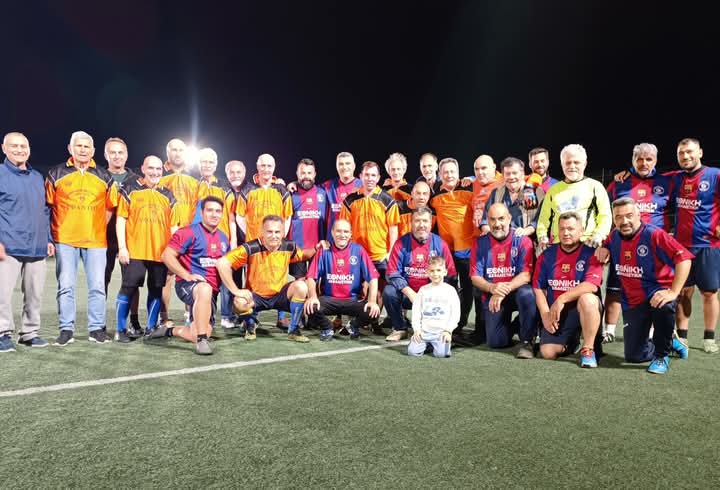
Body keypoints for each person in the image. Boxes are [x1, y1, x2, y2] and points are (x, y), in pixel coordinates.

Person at [597, 197, 692, 373]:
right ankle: (670, 341)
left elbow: (684, 259)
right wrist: (604, 248)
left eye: (629, 215)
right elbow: (607, 245)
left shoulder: (654, 234)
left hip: (657, 292)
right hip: (632, 300)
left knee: (664, 305)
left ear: (639, 215)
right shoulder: (614, 236)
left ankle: (661, 356)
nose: (624, 221)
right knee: (634, 356)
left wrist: (673, 292)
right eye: (618, 217)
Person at [46, 131, 115, 345]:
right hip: (65, 239)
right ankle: (66, 329)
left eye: (87, 147)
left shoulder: (104, 176)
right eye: (79, 146)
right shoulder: (56, 173)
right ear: (70, 148)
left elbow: (110, 207)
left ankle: (96, 329)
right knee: (66, 285)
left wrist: (97, 226)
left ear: (93, 151)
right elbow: (48, 206)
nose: (83, 150)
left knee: (97, 286)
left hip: (96, 240)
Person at [602, 143, 673, 343]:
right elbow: (606, 214)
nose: (644, 163)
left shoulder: (667, 182)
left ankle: (651, 331)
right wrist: (606, 244)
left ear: (655, 161)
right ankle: (609, 330)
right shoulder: (619, 183)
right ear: (633, 160)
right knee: (615, 288)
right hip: (622, 244)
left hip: (654, 248)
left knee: (651, 289)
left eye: (649, 159)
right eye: (639, 159)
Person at [216, 215, 317, 343]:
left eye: (277, 232)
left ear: (283, 233)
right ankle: (251, 323)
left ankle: (294, 330)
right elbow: (222, 263)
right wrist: (236, 291)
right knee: (239, 302)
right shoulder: (250, 248)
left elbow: (303, 255)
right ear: (262, 232)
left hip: (279, 296)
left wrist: (316, 248)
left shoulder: (289, 246)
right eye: (269, 232)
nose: (274, 236)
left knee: (301, 286)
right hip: (256, 296)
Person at [115, 155, 182, 343]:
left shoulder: (168, 195)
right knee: (128, 288)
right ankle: (120, 330)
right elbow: (121, 219)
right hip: (135, 251)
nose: (155, 172)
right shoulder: (130, 189)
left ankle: (151, 329)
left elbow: (174, 228)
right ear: (143, 169)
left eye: (158, 169)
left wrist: (173, 255)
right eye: (151, 168)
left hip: (159, 253)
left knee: (156, 289)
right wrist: (122, 247)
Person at [155, 196, 230, 355]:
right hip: (188, 286)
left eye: (218, 211)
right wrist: (186, 275)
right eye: (210, 210)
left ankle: (170, 331)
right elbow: (167, 255)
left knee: (199, 332)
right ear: (201, 212)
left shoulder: (223, 238)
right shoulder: (187, 232)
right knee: (204, 289)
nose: (214, 214)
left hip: (211, 294)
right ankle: (202, 341)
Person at [0, 132, 54, 352]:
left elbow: (44, 210)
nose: (19, 150)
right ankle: (2, 333)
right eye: (14, 146)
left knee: (34, 294)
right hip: (7, 245)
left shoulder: (37, 177)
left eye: (23, 146)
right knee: (2, 294)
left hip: (36, 246)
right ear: (4, 148)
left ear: (29, 149)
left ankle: (29, 333)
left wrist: (48, 238)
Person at [668, 138, 720, 353]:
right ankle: (682, 337)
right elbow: (648, 178)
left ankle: (709, 338)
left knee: (709, 293)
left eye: (690, 152)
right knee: (683, 292)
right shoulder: (675, 178)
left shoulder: (715, 175)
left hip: (708, 245)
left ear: (700, 152)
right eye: (681, 153)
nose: (686, 156)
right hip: (681, 247)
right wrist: (625, 174)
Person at [533, 212, 603, 367]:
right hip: (557, 312)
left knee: (588, 299)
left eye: (571, 229)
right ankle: (572, 342)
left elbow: (591, 285)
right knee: (548, 353)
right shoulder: (547, 255)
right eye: (562, 229)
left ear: (581, 230)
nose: (565, 233)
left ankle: (588, 349)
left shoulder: (591, 253)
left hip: (580, 308)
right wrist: (545, 314)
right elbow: (538, 288)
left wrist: (561, 299)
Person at [340, 160, 400, 333]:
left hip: (380, 255)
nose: (370, 178)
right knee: (355, 290)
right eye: (366, 175)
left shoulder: (387, 200)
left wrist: (390, 253)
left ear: (379, 177)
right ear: (360, 176)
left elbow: (393, 229)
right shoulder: (350, 200)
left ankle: (374, 321)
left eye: (373, 175)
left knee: (380, 290)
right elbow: (344, 227)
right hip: (357, 254)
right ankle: (352, 323)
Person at [470, 203, 537, 358]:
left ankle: (527, 340)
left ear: (509, 218)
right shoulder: (480, 243)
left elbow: (526, 275)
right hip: (493, 294)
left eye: (501, 218)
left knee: (527, 294)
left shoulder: (523, 241)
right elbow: (475, 277)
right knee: (496, 342)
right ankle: (516, 325)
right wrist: (491, 288)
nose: (497, 224)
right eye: (492, 219)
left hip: (516, 292)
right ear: (487, 220)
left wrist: (501, 291)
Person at [236, 153, 294, 329]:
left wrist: (280, 236)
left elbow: (287, 216)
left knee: (279, 276)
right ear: (257, 167)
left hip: (276, 243)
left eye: (269, 166)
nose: (266, 169)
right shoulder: (248, 189)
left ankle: (281, 317)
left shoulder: (281, 190)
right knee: (252, 279)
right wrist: (252, 234)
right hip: (255, 245)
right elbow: (240, 216)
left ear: (274, 167)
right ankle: (250, 317)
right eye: (263, 166)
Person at [384, 207, 457, 341]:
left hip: (432, 296)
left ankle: (439, 328)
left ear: (431, 223)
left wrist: (436, 293)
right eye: (417, 221)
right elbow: (392, 273)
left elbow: (450, 274)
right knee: (389, 292)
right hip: (409, 296)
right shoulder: (401, 243)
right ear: (411, 222)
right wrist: (411, 293)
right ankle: (400, 328)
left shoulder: (440, 244)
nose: (421, 225)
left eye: (425, 221)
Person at [304, 219, 380, 340]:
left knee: (373, 311)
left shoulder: (358, 250)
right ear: (332, 232)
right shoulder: (324, 251)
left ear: (350, 234)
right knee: (310, 307)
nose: (342, 235)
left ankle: (353, 326)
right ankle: (327, 327)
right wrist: (312, 297)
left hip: (353, 299)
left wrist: (372, 301)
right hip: (329, 299)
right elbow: (311, 277)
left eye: (346, 231)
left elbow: (373, 278)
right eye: (338, 231)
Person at [429, 157, 475, 333]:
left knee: (468, 287)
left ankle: (461, 323)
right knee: (448, 287)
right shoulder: (434, 193)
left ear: (458, 172)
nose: (449, 175)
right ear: (440, 174)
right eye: (445, 172)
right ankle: (447, 321)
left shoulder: (469, 187)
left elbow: (491, 180)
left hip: (467, 248)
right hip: (446, 251)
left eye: (452, 171)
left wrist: (473, 178)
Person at [536, 144, 612, 248]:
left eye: (576, 162)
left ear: (584, 164)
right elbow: (543, 219)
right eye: (568, 163)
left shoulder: (595, 186)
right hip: (559, 247)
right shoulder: (553, 191)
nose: (572, 166)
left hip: (587, 245)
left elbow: (605, 216)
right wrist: (542, 237)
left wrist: (598, 235)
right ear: (562, 165)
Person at [103, 137, 142, 334]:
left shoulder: (137, 180)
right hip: (103, 237)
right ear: (106, 155)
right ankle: (99, 322)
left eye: (120, 152)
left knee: (132, 281)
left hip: (130, 237)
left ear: (126, 155)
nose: (117, 156)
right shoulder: (99, 176)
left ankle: (133, 321)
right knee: (102, 280)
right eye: (113, 152)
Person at [159, 138, 199, 328]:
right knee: (167, 277)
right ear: (167, 153)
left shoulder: (194, 178)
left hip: (190, 234)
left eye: (181, 150)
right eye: (173, 150)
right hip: (167, 233)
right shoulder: (159, 175)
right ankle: (164, 316)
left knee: (190, 274)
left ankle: (190, 314)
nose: (177, 153)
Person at [407, 256, 460, 358]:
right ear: (427, 272)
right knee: (412, 352)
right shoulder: (423, 290)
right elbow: (416, 311)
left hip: (441, 333)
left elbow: (455, 313)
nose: (435, 274)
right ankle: (428, 344)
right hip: (424, 332)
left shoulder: (450, 290)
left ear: (445, 272)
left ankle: (439, 344)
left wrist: (448, 330)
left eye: (438, 270)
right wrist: (417, 329)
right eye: (432, 271)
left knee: (442, 354)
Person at [480, 157, 543, 238]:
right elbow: (485, 220)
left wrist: (527, 230)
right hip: (499, 240)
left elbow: (541, 220)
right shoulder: (496, 193)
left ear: (522, 174)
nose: (511, 177)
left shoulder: (537, 193)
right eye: (507, 174)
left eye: (514, 173)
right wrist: (489, 232)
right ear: (503, 176)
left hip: (526, 240)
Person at [289, 158, 328, 279]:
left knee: (315, 283)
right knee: (300, 283)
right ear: (297, 174)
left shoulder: (323, 193)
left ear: (314, 174)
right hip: (297, 249)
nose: (306, 176)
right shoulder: (290, 194)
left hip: (318, 247)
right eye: (303, 173)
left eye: (309, 173)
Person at [471, 154, 502, 233]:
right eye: (476, 169)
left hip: (496, 234)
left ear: (493, 167)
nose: (480, 172)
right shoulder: (474, 183)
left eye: (484, 168)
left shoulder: (505, 181)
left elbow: (532, 176)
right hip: (477, 236)